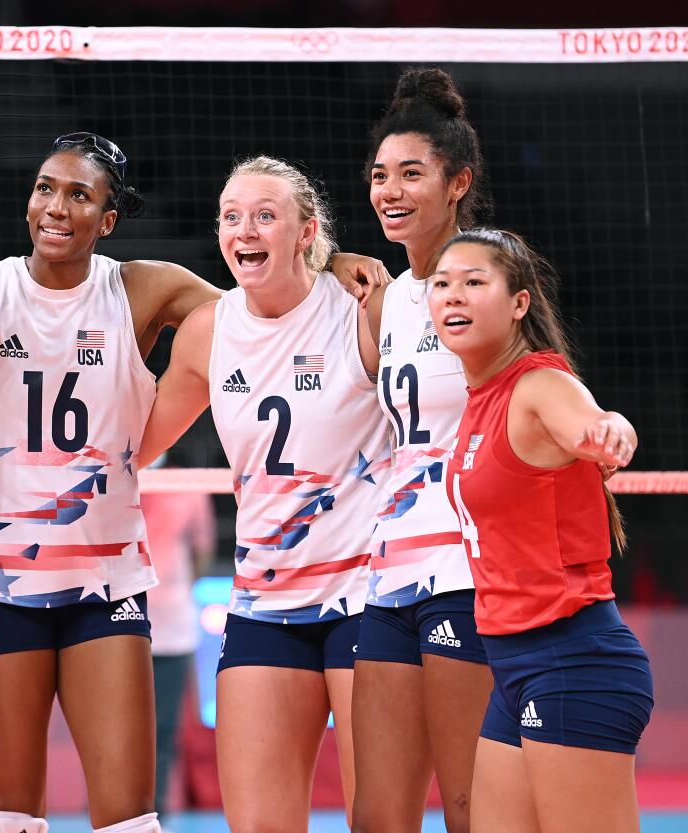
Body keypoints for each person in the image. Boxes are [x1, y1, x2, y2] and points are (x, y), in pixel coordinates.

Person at [0, 133, 387, 833]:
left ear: (107, 219)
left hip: (104, 579)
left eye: (80, 195)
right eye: (45, 188)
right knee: (9, 818)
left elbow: (261, 303)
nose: (56, 206)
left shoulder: (143, 287)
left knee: (129, 819)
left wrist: (329, 260)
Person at [139, 156, 389, 833]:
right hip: (264, 603)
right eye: (231, 216)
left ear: (307, 232)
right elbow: (131, 444)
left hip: (367, 598)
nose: (244, 229)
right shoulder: (210, 331)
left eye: (264, 215)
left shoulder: (362, 308)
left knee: (381, 820)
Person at [429, 228, 652, 833]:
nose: (454, 296)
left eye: (475, 283)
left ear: (519, 302)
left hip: (574, 661)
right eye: (442, 285)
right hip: (514, 667)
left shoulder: (537, 384)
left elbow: (592, 420)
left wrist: (611, 430)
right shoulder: (481, 396)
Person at [351, 67, 494, 833]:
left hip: (466, 568)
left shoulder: (486, 270)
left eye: (412, 173)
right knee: (377, 815)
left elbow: (547, 376)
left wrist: (602, 423)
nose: (390, 189)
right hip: (391, 567)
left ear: (457, 181)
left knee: (469, 808)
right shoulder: (395, 295)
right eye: (380, 175)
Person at [138, 457, 216, 816]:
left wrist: (178, 589)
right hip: (118, 624)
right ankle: (123, 811)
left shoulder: (190, 486)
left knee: (164, 727)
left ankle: (155, 812)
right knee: (122, 727)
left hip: (171, 625)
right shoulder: (120, 479)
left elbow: (203, 550)